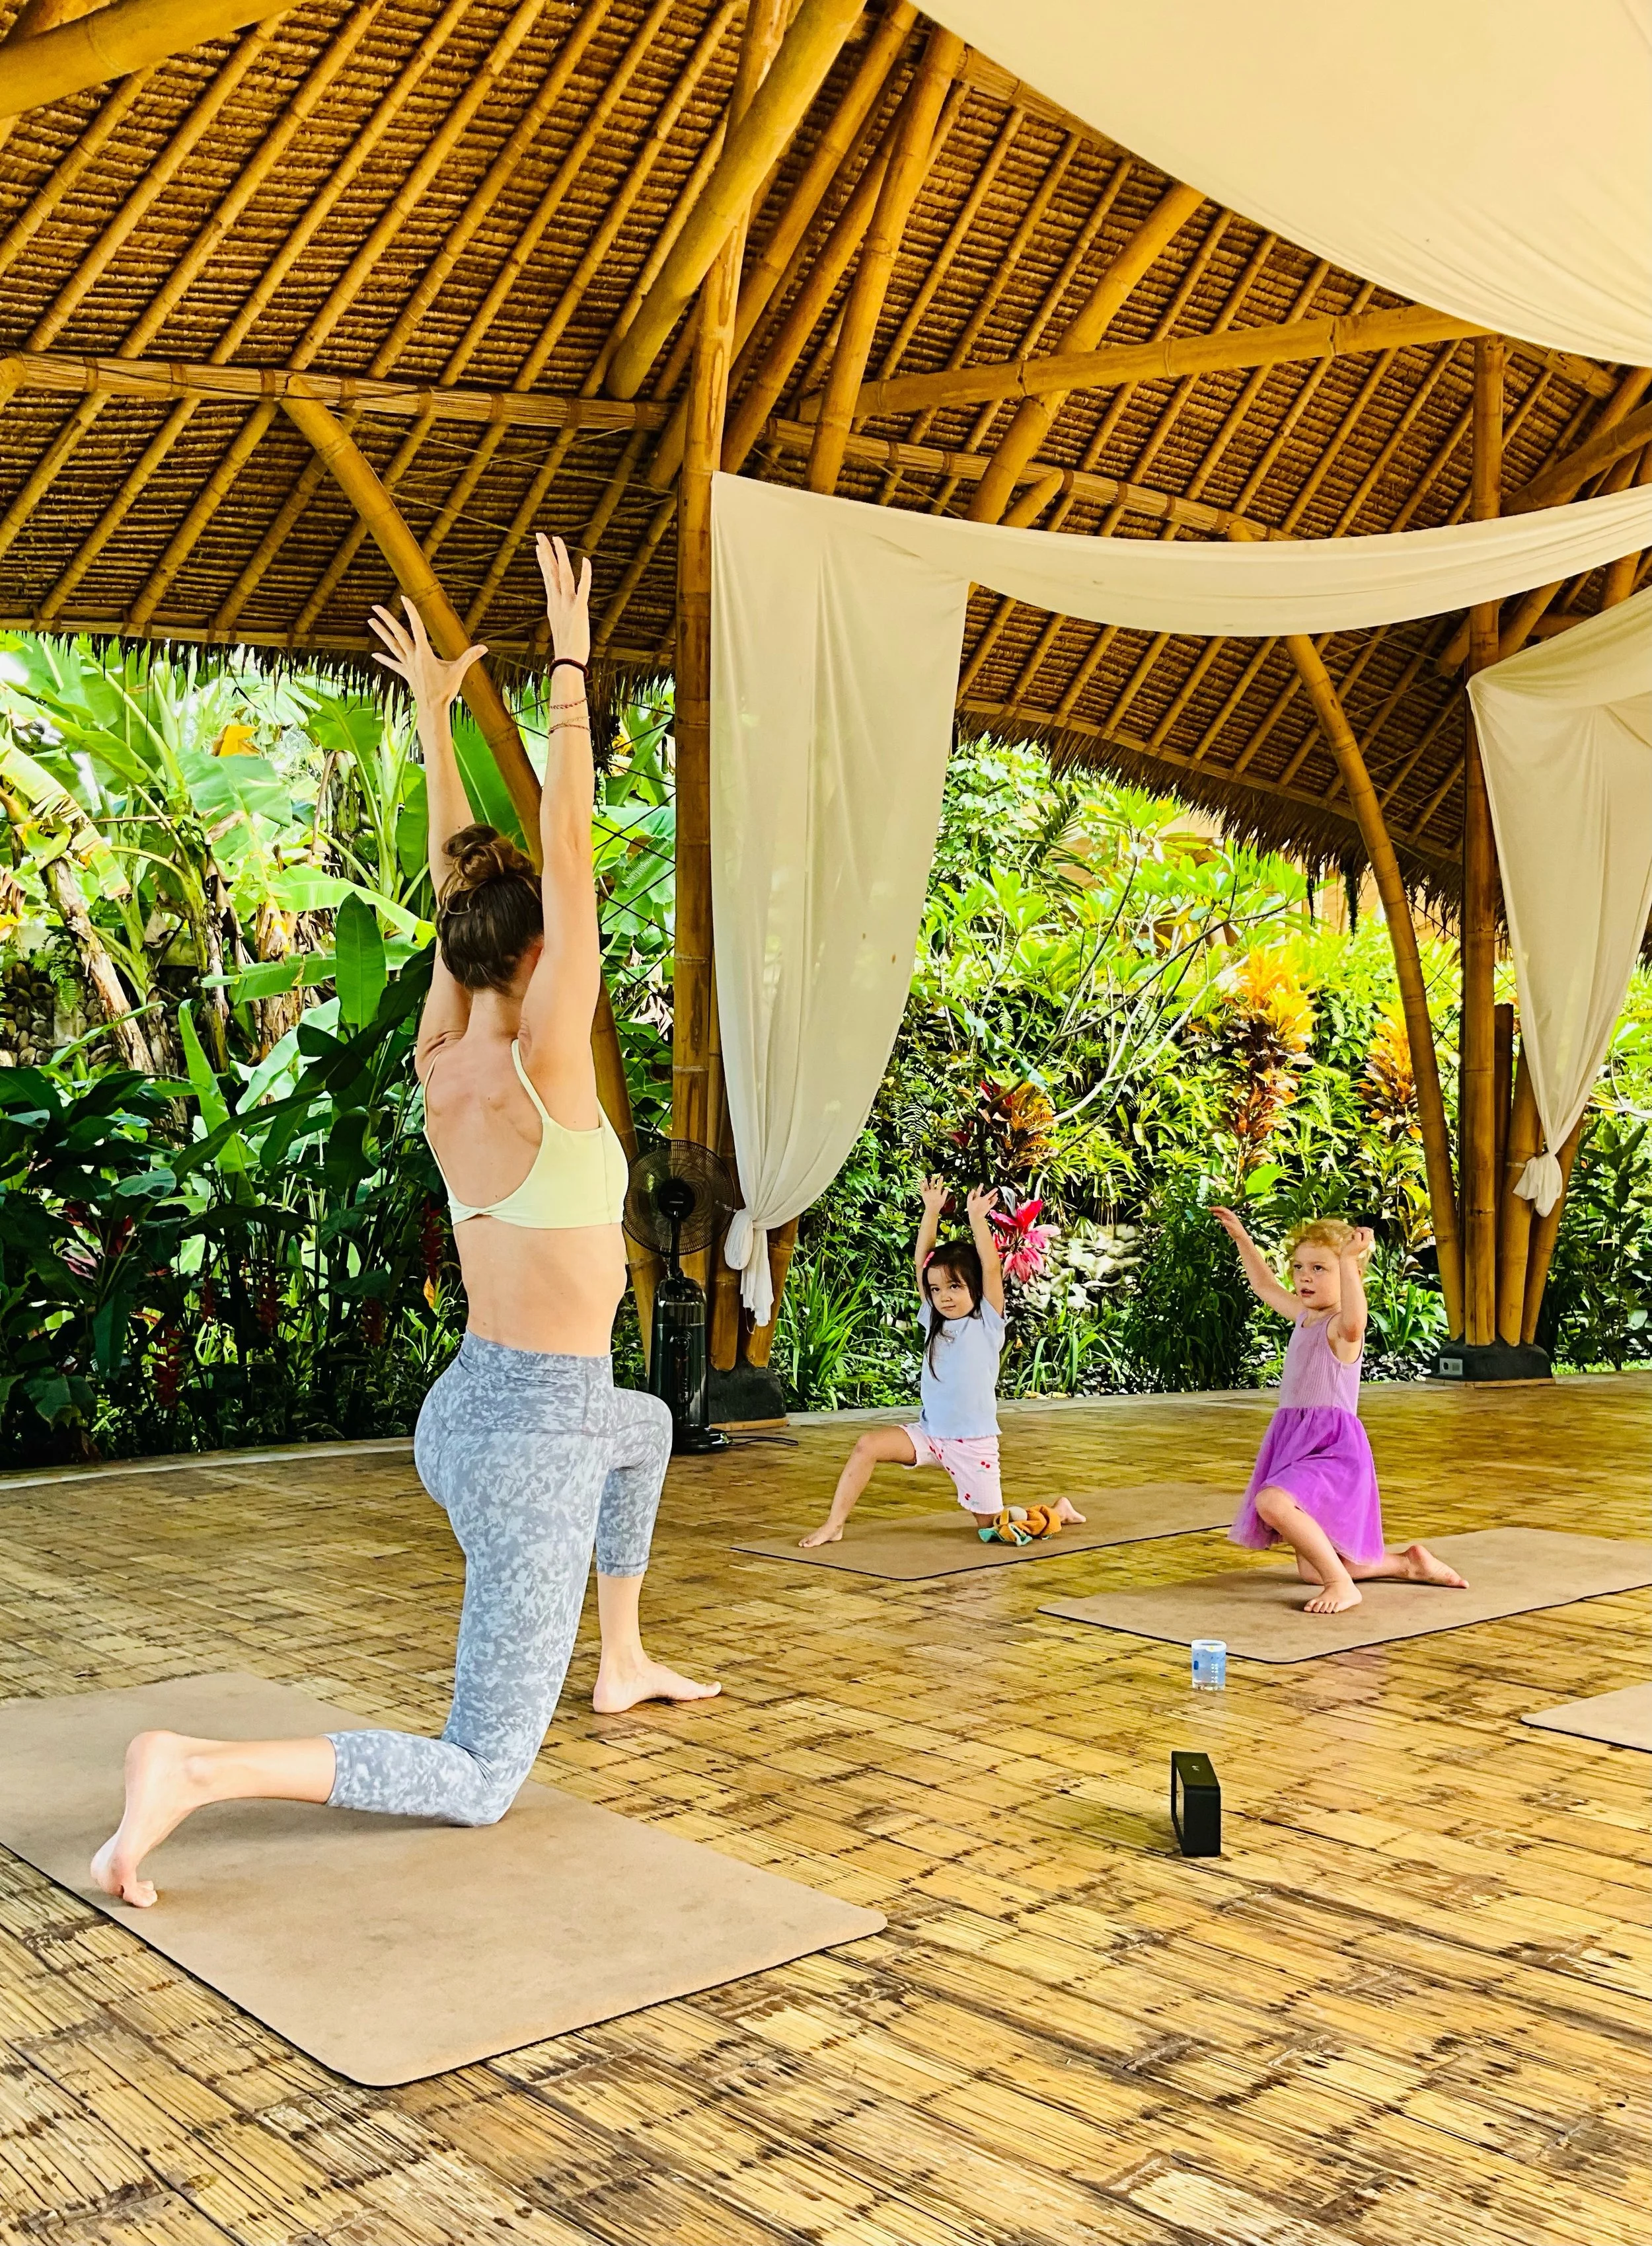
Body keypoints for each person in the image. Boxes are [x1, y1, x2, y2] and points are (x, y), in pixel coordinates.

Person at [93, 537, 716, 1910]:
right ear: (541, 955)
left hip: (476, 1413)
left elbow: (469, 885)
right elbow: (561, 852)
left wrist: (437, 726)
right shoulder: (551, 1061)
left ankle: (619, 1656)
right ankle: (190, 1771)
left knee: (650, 1423)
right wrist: (562, 662)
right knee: (482, 1769)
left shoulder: (448, 1056)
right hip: (527, 1447)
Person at [800, 1177, 1086, 1547]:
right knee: (867, 1445)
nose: (944, 1297)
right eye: (936, 1290)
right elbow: (924, 1263)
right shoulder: (933, 1320)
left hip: (972, 1443)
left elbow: (991, 1268)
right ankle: (834, 1524)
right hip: (930, 1435)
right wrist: (931, 1211)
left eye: (955, 1287)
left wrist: (976, 1218)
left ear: (975, 1289)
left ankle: (1058, 1511)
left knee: (994, 1531)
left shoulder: (986, 1322)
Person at [1213, 1208, 1468, 1615]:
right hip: (1296, 1443)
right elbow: (1263, 1286)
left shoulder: (1338, 1328)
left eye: (1319, 1268)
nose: (1305, 1277)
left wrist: (1349, 1262)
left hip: (1332, 1449)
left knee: (1273, 1504)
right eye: (1299, 1267)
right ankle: (1406, 1564)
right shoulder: (1303, 1318)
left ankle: (1343, 1585)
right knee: (1310, 1571)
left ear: (1349, 1276)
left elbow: (1355, 1324)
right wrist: (1243, 1239)